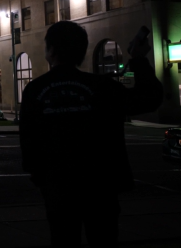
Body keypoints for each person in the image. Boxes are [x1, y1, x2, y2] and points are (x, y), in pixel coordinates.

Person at [19, 21, 163, 247]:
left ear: (51, 50)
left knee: (63, 238)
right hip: (101, 185)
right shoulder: (102, 87)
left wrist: (41, 177)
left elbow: (28, 141)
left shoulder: (35, 90)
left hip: (59, 187)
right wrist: (138, 59)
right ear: (83, 51)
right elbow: (149, 98)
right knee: (103, 237)